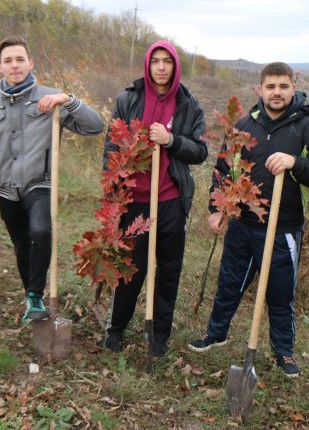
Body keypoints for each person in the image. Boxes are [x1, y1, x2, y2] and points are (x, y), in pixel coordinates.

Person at [189, 62, 309, 377]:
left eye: (283, 86)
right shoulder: (244, 125)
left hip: (284, 229)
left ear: (293, 87)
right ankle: (217, 333)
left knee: (281, 293)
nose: (277, 92)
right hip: (242, 224)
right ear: (260, 90)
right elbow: (224, 170)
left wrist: (296, 162)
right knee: (229, 282)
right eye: (271, 86)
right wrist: (217, 209)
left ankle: (284, 352)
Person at [0, 36, 104, 322]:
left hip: (40, 184)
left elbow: (95, 126)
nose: (15, 65)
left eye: (20, 59)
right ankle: (32, 298)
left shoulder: (51, 99)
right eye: (8, 60)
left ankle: (35, 294)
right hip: (7, 189)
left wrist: (68, 100)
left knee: (41, 232)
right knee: (21, 245)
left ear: (30, 63)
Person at [103, 40, 208, 357]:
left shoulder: (189, 105)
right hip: (135, 200)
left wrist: (171, 140)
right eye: (155, 61)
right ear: (148, 65)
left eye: (167, 61)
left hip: (170, 201)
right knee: (131, 269)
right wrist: (112, 196)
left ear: (175, 67)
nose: (161, 67)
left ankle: (158, 335)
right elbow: (111, 147)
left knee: (168, 271)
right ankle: (117, 329)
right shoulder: (129, 99)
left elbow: (200, 152)